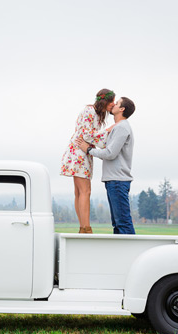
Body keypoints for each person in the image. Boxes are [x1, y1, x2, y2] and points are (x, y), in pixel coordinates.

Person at [77, 96, 136, 234]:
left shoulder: (122, 127)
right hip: (114, 180)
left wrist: (89, 150)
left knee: (122, 222)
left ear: (122, 109)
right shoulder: (119, 127)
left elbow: (110, 153)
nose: (113, 104)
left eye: (117, 103)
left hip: (118, 180)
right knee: (117, 222)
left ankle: (129, 253)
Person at [61, 89, 114, 234]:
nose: (113, 105)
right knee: (85, 191)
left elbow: (89, 135)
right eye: (112, 102)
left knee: (80, 192)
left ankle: (83, 227)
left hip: (81, 152)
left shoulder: (95, 113)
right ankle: (86, 228)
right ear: (105, 101)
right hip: (80, 152)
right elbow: (87, 135)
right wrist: (109, 131)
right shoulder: (89, 111)